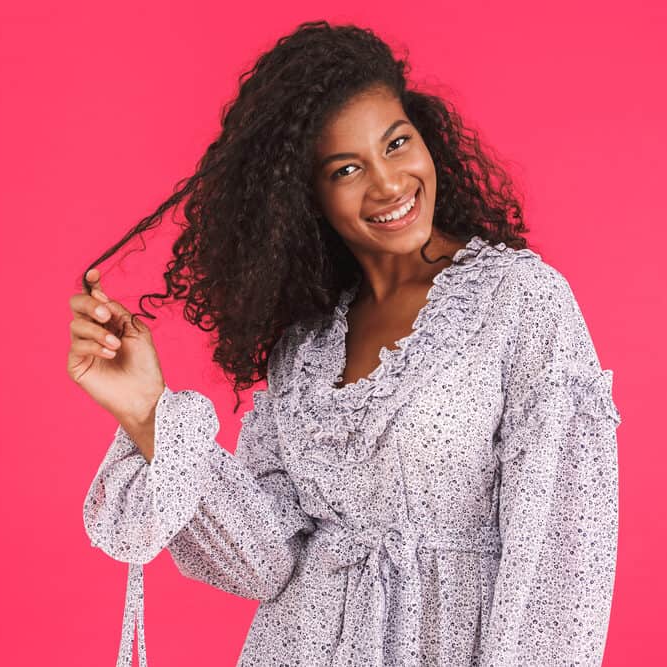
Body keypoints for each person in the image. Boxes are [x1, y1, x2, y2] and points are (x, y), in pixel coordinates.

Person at [67, 20, 622, 667]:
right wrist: (146, 411)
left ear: (424, 135)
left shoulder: (519, 301)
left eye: (396, 143)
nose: (389, 183)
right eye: (347, 168)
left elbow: (562, 556)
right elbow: (263, 563)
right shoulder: (305, 346)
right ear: (306, 197)